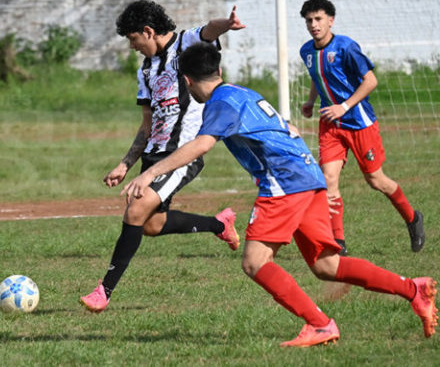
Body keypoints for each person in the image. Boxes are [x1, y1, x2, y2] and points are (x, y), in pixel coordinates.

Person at [122, 42, 437, 346]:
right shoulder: (242, 92)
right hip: (309, 175)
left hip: (284, 182)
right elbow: (285, 127)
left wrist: (151, 172)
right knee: (327, 265)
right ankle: (413, 289)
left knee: (255, 262)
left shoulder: (219, 103)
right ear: (218, 69)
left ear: (187, 81)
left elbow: (203, 144)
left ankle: (320, 324)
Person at [80, 0, 245, 313]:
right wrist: (126, 163)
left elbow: (209, 29)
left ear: (148, 31)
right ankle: (219, 224)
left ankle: (104, 291)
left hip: (182, 154)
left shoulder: (185, 43)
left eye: (133, 39)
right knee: (150, 224)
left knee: (135, 211)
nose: (132, 47)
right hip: (154, 156)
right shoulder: (146, 69)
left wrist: (228, 23)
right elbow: (147, 125)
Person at [299, 0, 424, 255]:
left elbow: (370, 81)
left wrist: (344, 106)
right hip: (330, 124)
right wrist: (311, 101)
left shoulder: (346, 47)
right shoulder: (306, 51)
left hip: (359, 123)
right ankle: (338, 243)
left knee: (376, 180)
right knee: (328, 180)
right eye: (309, 20)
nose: (314, 24)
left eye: (319, 19)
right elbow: (317, 76)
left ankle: (413, 218)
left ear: (330, 20)